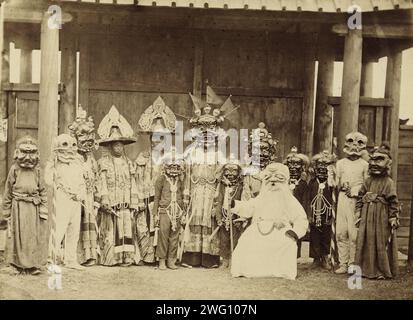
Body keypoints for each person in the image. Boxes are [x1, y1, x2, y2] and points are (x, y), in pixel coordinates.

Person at [180, 87, 235, 268]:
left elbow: (222, 177)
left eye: (209, 133)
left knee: (209, 220)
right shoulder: (190, 152)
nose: (205, 136)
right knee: (194, 219)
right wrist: (186, 195)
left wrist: (219, 197)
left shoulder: (219, 154)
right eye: (202, 132)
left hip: (212, 192)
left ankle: (209, 259)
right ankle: (192, 257)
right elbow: (186, 175)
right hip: (195, 191)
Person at [230, 163, 308, 280]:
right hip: (259, 228)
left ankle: (281, 271)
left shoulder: (290, 200)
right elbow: (248, 208)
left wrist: (295, 232)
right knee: (245, 241)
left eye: (277, 180)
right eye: (269, 180)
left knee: (286, 242)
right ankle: (249, 269)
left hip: (281, 229)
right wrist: (234, 204)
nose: (273, 182)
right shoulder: (261, 198)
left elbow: (300, 218)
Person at [135, 96, 177, 265]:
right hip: (146, 198)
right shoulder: (142, 157)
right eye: (154, 137)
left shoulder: (170, 160)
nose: (157, 141)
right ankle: (147, 256)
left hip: (164, 201)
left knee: (164, 228)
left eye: (161, 137)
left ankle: (164, 257)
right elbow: (137, 179)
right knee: (145, 226)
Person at [96, 105, 140, 266]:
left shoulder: (129, 163)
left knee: (127, 229)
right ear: (110, 146)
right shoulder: (103, 163)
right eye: (115, 145)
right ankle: (111, 258)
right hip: (112, 203)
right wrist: (105, 200)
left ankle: (127, 257)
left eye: (121, 145)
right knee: (111, 230)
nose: (118, 148)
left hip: (126, 202)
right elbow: (101, 182)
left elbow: (132, 182)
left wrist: (134, 200)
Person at [1, 137, 48, 275]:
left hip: (33, 208)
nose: (28, 157)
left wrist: (44, 209)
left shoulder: (38, 171)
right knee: (16, 236)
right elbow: (8, 191)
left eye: (31, 153)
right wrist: (6, 211)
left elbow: (43, 190)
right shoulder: (14, 169)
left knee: (31, 236)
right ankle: (15, 265)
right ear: (18, 153)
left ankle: (32, 265)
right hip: (17, 207)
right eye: (24, 153)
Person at [354, 143, 399, 279]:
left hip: (382, 216)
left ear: (387, 163)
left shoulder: (389, 182)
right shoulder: (368, 181)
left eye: (379, 160)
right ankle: (366, 270)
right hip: (367, 216)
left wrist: (393, 217)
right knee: (366, 241)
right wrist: (358, 211)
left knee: (380, 242)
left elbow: (393, 201)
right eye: (372, 160)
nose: (374, 164)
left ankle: (381, 271)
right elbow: (361, 197)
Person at [45, 134, 86, 270]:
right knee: (59, 228)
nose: (70, 149)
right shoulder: (55, 163)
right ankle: (51, 258)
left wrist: (80, 194)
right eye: (65, 145)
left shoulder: (78, 162)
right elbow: (48, 180)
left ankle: (70, 260)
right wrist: (51, 162)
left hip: (76, 200)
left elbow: (82, 182)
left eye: (73, 145)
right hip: (63, 198)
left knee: (74, 230)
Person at [68, 107, 100, 266]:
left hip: (88, 196)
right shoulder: (71, 158)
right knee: (74, 224)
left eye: (90, 135)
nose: (87, 139)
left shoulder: (91, 158)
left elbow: (97, 178)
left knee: (89, 222)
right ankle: (73, 256)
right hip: (74, 196)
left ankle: (89, 255)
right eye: (82, 135)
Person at [335, 132, 369, 274]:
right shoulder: (340, 163)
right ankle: (343, 263)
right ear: (346, 144)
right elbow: (336, 182)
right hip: (342, 199)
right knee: (341, 232)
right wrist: (337, 184)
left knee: (353, 233)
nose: (354, 145)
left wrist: (356, 191)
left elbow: (367, 184)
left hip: (357, 201)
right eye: (351, 141)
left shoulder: (365, 164)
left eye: (359, 142)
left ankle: (352, 263)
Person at [153, 149, 186, 270]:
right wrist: (155, 214)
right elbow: (157, 197)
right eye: (171, 167)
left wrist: (184, 213)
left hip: (177, 211)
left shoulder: (181, 180)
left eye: (176, 167)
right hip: (164, 210)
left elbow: (183, 196)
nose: (174, 170)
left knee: (175, 236)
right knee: (163, 235)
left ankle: (171, 261)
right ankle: (162, 260)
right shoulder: (161, 179)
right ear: (166, 167)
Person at [308, 150, 337, 270]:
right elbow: (308, 199)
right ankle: (315, 258)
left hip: (327, 213)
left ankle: (325, 257)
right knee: (314, 234)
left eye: (325, 166)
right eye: (319, 166)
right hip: (314, 212)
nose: (322, 169)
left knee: (326, 234)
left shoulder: (331, 185)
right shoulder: (312, 183)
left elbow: (335, 199)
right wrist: (309, 214)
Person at [213, 161, 244, 268]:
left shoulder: (241, 186)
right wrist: (218, 217)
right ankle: (225, 260)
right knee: (224, 239)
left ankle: (233, 260)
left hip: (235, 216)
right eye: (227, 171)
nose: (230, 174)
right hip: (223, 214)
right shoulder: (221, 186)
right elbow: (219, 202)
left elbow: (243, 201)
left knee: (235, 239)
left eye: (234, 171)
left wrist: (240, 218)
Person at [284, 146, 309, 258]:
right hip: (285, 212)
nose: (293, 167)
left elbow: (305, 200)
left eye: (296, 164)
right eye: (290, 164)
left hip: (298, 212)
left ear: (302, 167)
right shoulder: (283, 183)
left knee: (296, 232)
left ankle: (295, 256)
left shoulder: (303, 184)